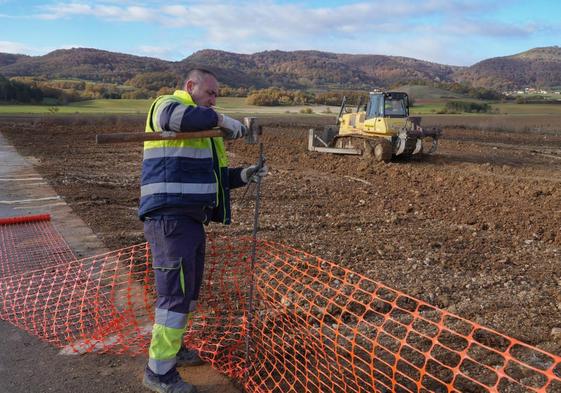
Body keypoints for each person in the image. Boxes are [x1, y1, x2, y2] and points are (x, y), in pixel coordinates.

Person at [139, 68, 267, 393]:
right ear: (190, 86)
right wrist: (222, 119)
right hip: (170, 218)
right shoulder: (165, 106)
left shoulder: (201, 132)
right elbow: (183, 119)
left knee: (187, 294)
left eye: (216, 97)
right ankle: (159, 373)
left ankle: (174, 351)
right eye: (209, 93)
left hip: (190, 220)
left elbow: (211, 179)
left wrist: (243, 176)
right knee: (174, 296)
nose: (212, 100)